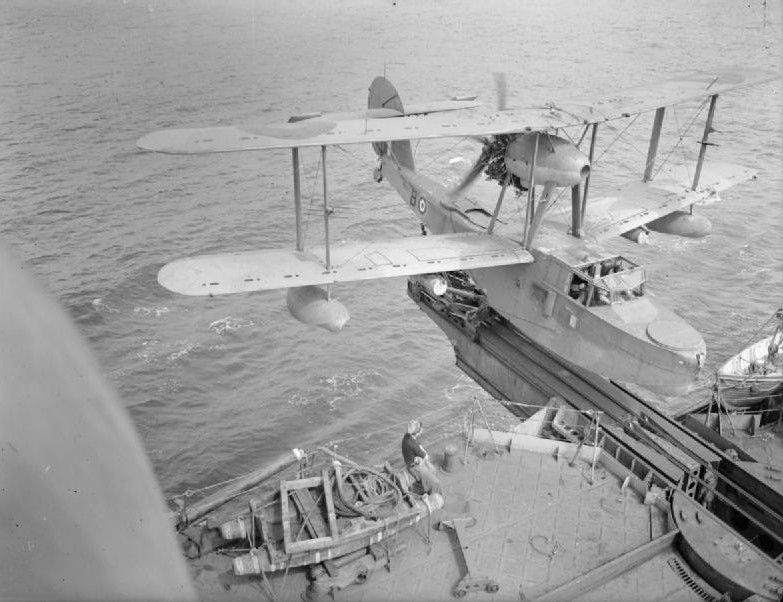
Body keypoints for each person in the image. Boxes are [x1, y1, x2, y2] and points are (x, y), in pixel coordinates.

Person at [401, 420, 442, 495]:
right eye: (420, 429)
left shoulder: (407, 436)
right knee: (436, 483)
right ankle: (432, 496)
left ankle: (423, 486)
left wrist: (419, 449)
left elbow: (417, 444)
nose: (422, 430)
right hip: (414, 467)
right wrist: (422, 451)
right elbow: (426, 457)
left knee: (433, 470)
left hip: (412, 461)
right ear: (417, 433)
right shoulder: (412, 444)